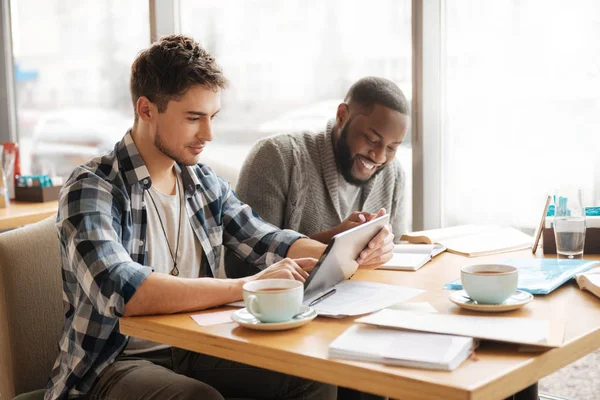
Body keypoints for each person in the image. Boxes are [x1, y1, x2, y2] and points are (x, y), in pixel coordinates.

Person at [44, 35, 394, 400]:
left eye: (212, 117)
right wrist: (245, 287)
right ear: (146, 110)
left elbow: (268, 241)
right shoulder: (94, 187)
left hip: (196, 347)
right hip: (111, 366)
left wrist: (351, 249)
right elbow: (123, 289)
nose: (208, 134)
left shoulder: (201, 182)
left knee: (310, 371)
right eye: (194, 118)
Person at [225, 76, 409, 400]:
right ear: (342, 116)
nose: (379, 156)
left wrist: (385, 250)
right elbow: (241, 266)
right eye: (371, 138)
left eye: (392, 148)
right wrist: (330, 242)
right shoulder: (278, 156)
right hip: (283, 329)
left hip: (352, 318)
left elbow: (396, 261)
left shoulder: (393, 176)